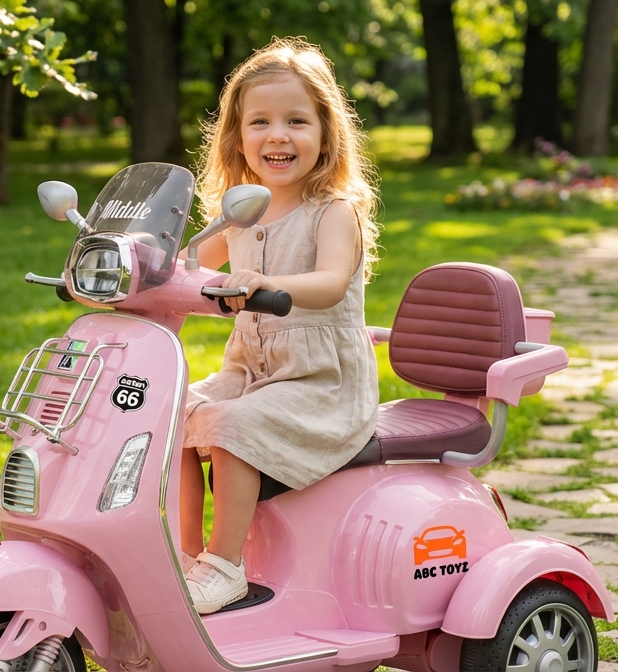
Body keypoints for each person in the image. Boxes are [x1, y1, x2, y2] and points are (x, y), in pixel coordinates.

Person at [181, 37, 382, 614]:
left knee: (232, 426)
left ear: (325, 134)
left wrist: (267, 287)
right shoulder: (238, 212)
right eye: (260, 122)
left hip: (321, 387)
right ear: (237, 137)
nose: (278, 135)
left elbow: (333, 282)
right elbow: (189, 262)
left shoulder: (332, 211)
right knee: (168, 414)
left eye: (296, 121)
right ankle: (187, 553)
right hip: (250, 374)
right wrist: (130, 265)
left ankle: (224, 567)